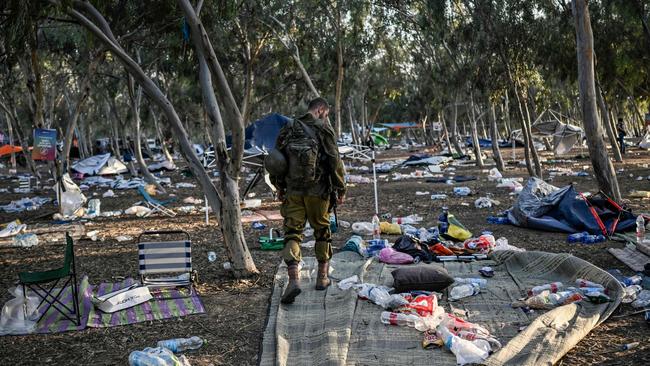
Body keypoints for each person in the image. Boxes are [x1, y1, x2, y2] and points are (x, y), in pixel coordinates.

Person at [270, 98, 346, 304]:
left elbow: (277, 160)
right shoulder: (323, 129)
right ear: (321, 110)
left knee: (292, 233)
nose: (326, 118)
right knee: (322, 230)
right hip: (318, 191)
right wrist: (340, 188)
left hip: (293, 191)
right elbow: (334, 160)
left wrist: (279, 187)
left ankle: (293, 280)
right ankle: (322, 277)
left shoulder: (289, 127)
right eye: (326, 114)